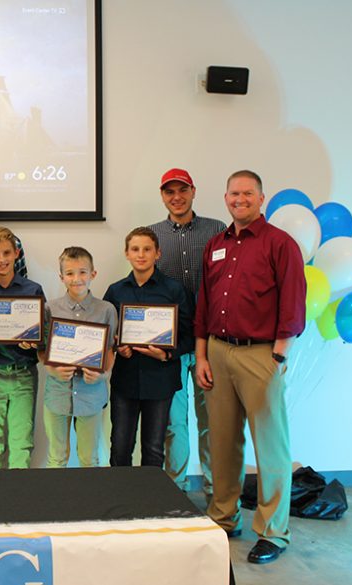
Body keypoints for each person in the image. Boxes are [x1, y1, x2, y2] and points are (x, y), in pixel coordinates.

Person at [194, 170, 306, 564]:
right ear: (225, 198)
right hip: (219, 353)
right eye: (233, 193)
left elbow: (293, 302)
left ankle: (273, 531)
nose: (240, 199)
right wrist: (203, 355)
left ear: (261, 198)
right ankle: (223, 519)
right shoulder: (215, 245)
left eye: (248, 193)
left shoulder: (281, 244)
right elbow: (205, 303)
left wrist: (278, 354)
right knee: (223, 441)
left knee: (270, 446)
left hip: (261, 354)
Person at [147, 168, 227, 496]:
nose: (176, 197)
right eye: (169, 192)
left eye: (182, 190)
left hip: (213, 340)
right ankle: (175, 493)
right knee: (174, 424)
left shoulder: (217, 230)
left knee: (214, 423)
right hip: (173, 345)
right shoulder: (152, 237)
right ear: (162, 195)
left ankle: (217, 493)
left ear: (193, 191)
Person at [104, 228, 193, 469]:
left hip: (160, 380)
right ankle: (120, 504)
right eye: (135, 249)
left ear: (158, 253)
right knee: (120, 447)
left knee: (154, 449)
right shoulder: (116, 291)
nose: (141, 254)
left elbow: (188, 335)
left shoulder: (173, 290)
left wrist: (166, 354)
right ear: (127, 254)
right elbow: (106, 334)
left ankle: (150, 505)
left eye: (147, 249)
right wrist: (118, 347)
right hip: (125, 381)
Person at [0, 227, 45, 469]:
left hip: (23, 374)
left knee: (21, 443)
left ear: (16, 253)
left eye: (6, 253)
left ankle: (18, 503)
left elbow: (43, 337)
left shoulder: (32, 291)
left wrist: (34, 341)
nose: (1, 260)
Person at [40, 247, 117, 467]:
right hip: (57, 393)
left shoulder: (106, 310)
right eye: (70, 273)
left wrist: (103, 374)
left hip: (91, 394)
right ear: (61, 277)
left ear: (93, 274)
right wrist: (51, 369)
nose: (77, 279)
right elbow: (41, 348)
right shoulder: (49, 309)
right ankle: (57, 501)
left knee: (89, 458)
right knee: (56, 456)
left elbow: (110, 349)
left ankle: (89, 502)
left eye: (83, 272)